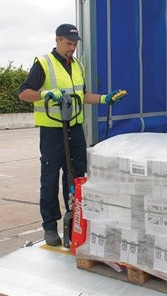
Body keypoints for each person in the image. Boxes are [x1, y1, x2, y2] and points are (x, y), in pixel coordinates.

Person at [18, 23, 123, 246]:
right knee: (50, 178)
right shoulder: (43, 63)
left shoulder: (77, 65)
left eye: (74, 44)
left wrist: (105, 99)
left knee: (77, 176)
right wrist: (45, 93)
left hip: (75, 128)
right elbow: (24, 93)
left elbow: (82, 95)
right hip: (52, 130)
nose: (71, 48)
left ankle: (75, 220)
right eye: (68, 43)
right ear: (57, 40)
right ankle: (49, 226)